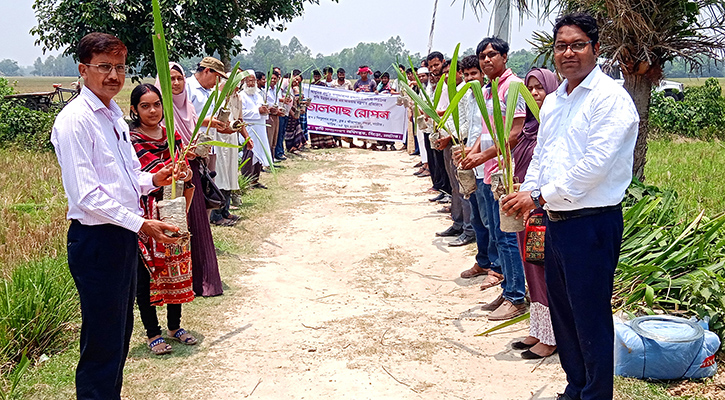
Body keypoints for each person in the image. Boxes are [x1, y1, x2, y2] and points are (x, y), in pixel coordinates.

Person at [502, 13, 639, 399]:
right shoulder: (555, 101)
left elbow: (594, 165)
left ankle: (596, 394)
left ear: (596, 49)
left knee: (589, 316)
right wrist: (528, 194)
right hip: (556, 222)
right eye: (561, 46)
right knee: (563, 313)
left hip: (592, 223)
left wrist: (539, 196)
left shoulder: (609, 99)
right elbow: (543, 157)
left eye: (578, 44)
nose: (569, 53)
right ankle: (575, 387)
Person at [50, 32, 181, 399]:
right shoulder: (75, 120)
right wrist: (143, 225)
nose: (113, 75)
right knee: (102, 343)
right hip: (97, 240)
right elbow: (88, 196)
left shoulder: (114, 118)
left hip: (122, 236)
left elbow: (123, 181)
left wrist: (154, 178)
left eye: (120, 67)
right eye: (104, 66)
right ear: (83, 69)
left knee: (118, 335)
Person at [457, 37, 527, 321]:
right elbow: (485, 131)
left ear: (505, 56)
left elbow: (514, 133)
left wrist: (482, 156)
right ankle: (508, 288)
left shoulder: (513, 87)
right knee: (497, 232)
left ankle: (517, 297)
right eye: (482, 56)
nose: (486, 60)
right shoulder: (488, 89)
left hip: (504, 171)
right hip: (488, 171)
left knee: (508, 235)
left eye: (492, 55)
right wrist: (470, 154)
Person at [128, 84, 198, 355]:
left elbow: (186, 172)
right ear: (134, 109)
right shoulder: (131, 141)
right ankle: (152, 333)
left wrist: (185, 174)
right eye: (145, 106)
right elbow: (134, 177)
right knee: (147, 274)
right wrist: (163, 174)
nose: (152, 111)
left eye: (156, 104)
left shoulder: (173, 137)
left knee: (175, 269)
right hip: (145, 216)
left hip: (173, 212)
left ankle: (174, 326)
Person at [155, 62, 223, 297]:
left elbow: (195, 133)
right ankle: (172, 284)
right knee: (175, 225)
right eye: (170, 79)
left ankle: (201, 281)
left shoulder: (189, 107)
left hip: (191, 170)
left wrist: (195, 149)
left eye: (179, 78)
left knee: (196, 223)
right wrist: (179, 153)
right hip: (168, 174)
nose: (175, 83)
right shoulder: (158, 107)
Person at [510, 67, 560, 360]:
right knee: (530, 267)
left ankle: (552, 337)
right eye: (529, 88)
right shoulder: (530, 126)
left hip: (544, 207)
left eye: (539, 88)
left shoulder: (552, 125)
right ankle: (538, 329)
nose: (534, 94)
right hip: (525, 204)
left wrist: (536, 199)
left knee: (544, 269)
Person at [186, 57, 239, 227]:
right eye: (217, 77)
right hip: (192, 149)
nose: (218, 82)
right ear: (207, 71)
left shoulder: (210, 92)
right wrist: (207, 121)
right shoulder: (187, 88)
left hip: (210, 148)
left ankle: (205, 226)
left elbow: (213, 120)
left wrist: (227, 127)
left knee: (208, 190)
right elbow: (184, 118)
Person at [458, 55, 497, 281]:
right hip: (473, 164)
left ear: (482, 75)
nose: (470, 78)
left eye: (474, 74)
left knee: (491, 221)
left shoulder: (488, 98)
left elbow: (489, 132)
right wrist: (466, 152)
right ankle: (482, 261)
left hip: (487, 166)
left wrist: (477, 155)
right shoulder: (472, 97)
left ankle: (496, 266)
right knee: (477, 219)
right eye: (466, 75)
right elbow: (474, 131)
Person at [435, 60, 475, 247]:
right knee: (455, 187)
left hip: (460, 144)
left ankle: (468, 229)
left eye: (449, 73)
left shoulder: (467, 93)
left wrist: (451, 138)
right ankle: (458, 222)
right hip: (450, 143)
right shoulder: (457, 92)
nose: (446, 77)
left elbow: (467, 124)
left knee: (464, 189)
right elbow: (453, 117)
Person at [238, 71, 272, 187]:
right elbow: (241, 113)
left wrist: (265, 110)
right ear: (244, 82)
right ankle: (247, 181)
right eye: (248, 81)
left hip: (260, 128)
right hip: (249, 129)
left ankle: (255, 180)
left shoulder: (258, 95)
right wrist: (258, 111)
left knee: (259, 155)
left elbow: (262, 109)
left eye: (253, 81)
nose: (251, 83)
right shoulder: (241, 95)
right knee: (249, 154)